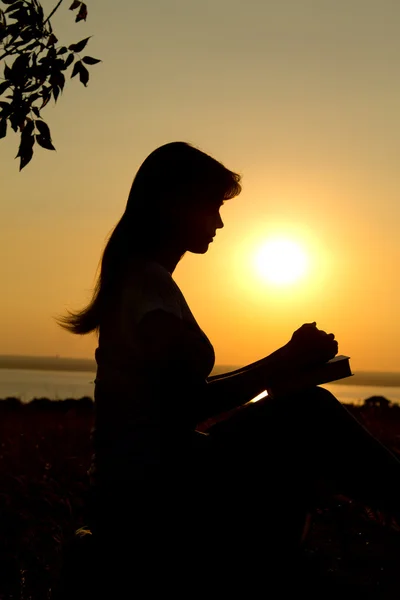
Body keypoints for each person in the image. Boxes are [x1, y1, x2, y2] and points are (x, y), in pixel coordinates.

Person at [57, 142, 400, 596]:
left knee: (300, 413)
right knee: (309, 412)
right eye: (212, 207)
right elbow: (182, 407)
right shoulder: (147, 287)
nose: (219, 223)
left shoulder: (145, 281)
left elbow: (175, 393)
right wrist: (282, 361)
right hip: (151, 487)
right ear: (174, 204)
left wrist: (281, 367)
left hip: (150, 474)